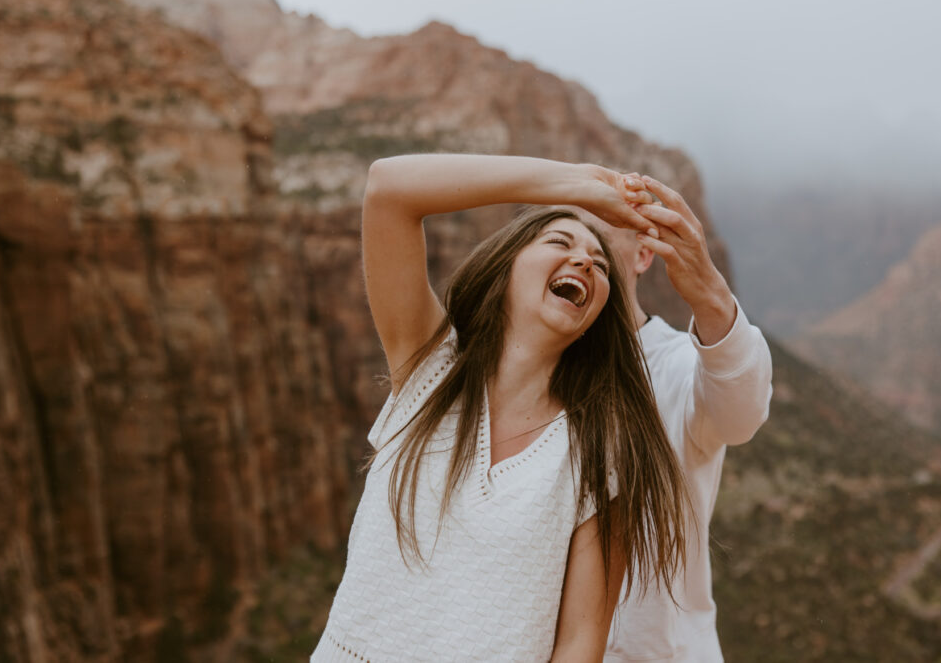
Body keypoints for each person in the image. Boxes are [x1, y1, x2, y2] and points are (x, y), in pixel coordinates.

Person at [312, 154, 689, 662]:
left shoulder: (600, 451)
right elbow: (388, 189)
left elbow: (580, 644)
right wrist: (575, 185)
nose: (584, 261)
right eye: (559, 243)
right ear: (506, 266)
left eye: (600, 265)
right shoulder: (431, 371)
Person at [572, 175, 773, 662]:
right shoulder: (522, 373)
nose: (579, 253)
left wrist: (709, 295)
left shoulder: (678, 364)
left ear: (644, 256)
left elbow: (740, 413)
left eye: (597, 234)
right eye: (560, 233)